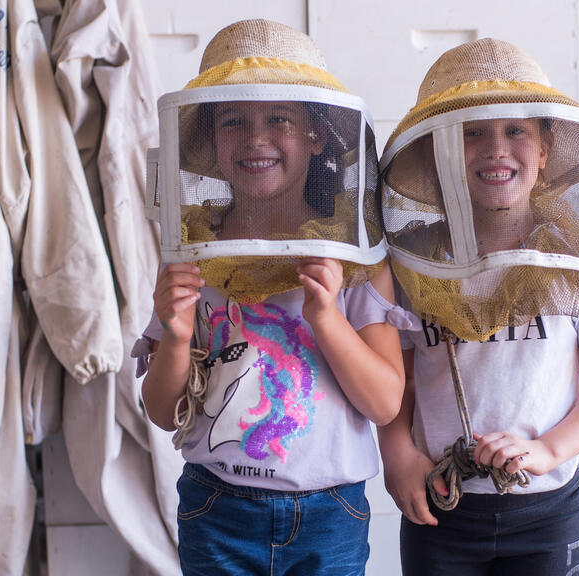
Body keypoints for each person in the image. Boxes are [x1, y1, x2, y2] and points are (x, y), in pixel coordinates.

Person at [134, 19, 406, 575]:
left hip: (329, 513)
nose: (256, 138)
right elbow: (162, 412)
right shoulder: (192, 247)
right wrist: (179, 335)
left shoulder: (353, 255)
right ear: (209, 138)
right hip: (215, 508)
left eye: (279, 118)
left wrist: (327, 317)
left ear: (317, 134)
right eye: (234, 120)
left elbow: (385, 403)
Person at [378, 38, 579, 575]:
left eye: (516, 131)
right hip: (443, 506)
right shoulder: (412, 262)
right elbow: (401, 383)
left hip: (547, 514)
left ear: (545, 150)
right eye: (471, 132)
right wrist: (399, 456)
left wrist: (550, 449)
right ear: (435, 155)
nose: (495, 148)